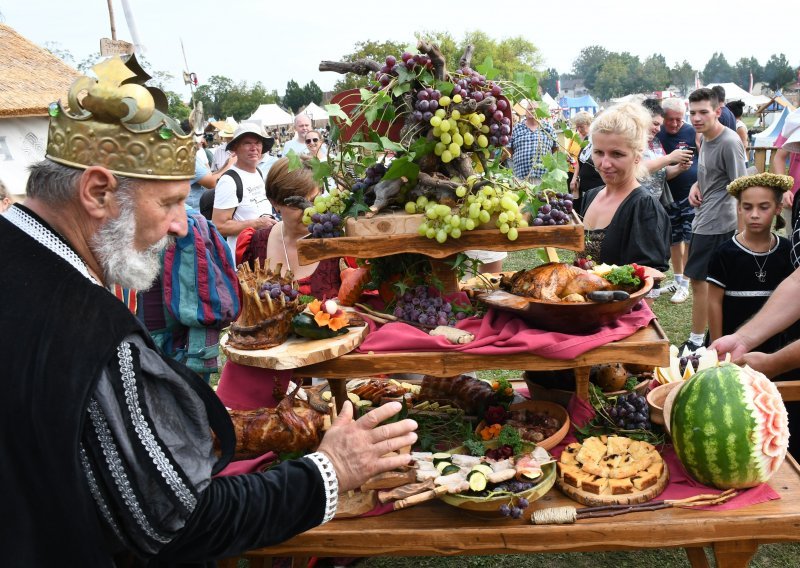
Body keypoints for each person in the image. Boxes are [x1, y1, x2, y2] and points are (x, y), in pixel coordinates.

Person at [0, 56, 417, 565]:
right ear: (97, 191)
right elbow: (178, 520)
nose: (181, 224)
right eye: (170, 202)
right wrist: (328, 470)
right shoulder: (89, 332)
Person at [681, 88, 747, 352]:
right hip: (704, 218)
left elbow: (742, 188)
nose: (696, 118)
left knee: (701, 282)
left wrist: (743, 236)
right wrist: (696, 185)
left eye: (703, 112)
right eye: (693, 112)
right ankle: (707, 339)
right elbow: (712, 175)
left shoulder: (730, 142)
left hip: (718, 224)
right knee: (702, 282)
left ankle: (697, 342)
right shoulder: (704, 138)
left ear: (718, 112)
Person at [707, 173, 799, 355]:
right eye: (747, 207)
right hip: (731, 340)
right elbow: (714, 302)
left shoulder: (788, 250)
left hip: (776, 343)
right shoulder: (724, 253)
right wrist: (716, 345)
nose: (754, 215)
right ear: (739, 208)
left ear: (778, 208)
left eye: (764, 207)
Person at [579, 102, 671, 277]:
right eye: (598, 152)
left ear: (637, 156)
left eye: (617, 154)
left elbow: (652, 277)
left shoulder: (643, 206)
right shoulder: (591, 196)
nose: (605, 164)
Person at [656, 97, 700, 304]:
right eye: (669, 120)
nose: (674, 124)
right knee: (674, 239)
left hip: (691, 195)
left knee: (690, 239)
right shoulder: (657, 133)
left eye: (679, 120)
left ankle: (685, 285)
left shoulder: (692, 132)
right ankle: (677, 278)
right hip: (667, 196)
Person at [212, 123, 278, 252]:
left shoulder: (258, 172)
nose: (254, 148)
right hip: (243, 259)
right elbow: (219, 226)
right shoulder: (229, 181)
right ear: (235, 148)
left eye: (258, 143)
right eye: (247, 143)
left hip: (263, 251)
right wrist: (257, 224)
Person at [640, 100, 693, 202]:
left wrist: (680, 168)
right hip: (637, 204)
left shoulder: (655, 141)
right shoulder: (630, 141)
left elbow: (661, 174)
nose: (659, 129)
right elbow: (637, 169)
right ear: (642, 120)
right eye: (655, 124)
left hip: (656, 204)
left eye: (660, 125)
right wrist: (669, 158)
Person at [508, 100, 557, 183]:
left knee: (542, 196)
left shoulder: (548, 128)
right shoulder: (517, 128)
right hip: (520, 177)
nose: (532, 111)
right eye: (530, 109)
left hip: (543, 178)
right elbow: (509, 149)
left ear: (540, 111)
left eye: (535, 109)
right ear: (525, 111)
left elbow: (555, 149)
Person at [769, 108, 800, 228]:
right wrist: (785, 189)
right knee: (794, 237)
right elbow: (779, 158)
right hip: (794, 196)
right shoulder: (793, 121)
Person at [567, 111, 592, 196]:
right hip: (571, 171)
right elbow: (568, 151)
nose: (579, 129)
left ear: (588, 124)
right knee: (572, 199)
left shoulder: (591, 139)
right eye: (577, 126)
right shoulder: (575, 136)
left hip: (582, 174)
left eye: (581, 127)